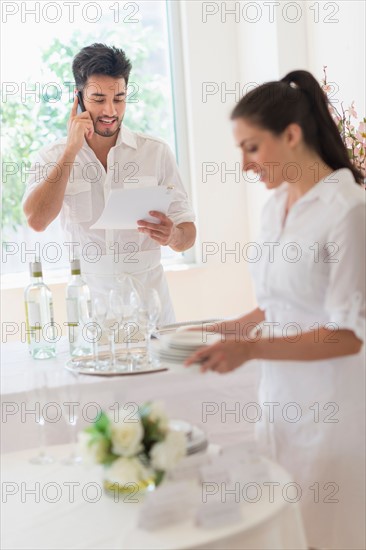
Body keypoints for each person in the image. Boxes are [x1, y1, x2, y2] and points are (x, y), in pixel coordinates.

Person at [185, 70, 365, 549]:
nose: (245, 164)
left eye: (251, 148)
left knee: (327, 534)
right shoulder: (274, 208)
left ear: (291, 135)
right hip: (279, 403)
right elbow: (279, 304)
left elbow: (350, 334)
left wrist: (250, 350)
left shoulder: (349, 210)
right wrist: (223, 330)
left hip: (333, 410)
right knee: (282, 532)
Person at [22, 43, 196, 326]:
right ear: (77, 98)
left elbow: (188, 234)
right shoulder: (53, 156)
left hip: (151, 308)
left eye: (119, 98)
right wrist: (70, 151)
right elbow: (37, 220)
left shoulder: (156, 152)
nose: (110, 110)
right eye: (98, 98)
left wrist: (173, 235)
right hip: (91, 310)